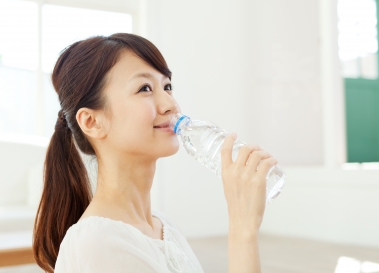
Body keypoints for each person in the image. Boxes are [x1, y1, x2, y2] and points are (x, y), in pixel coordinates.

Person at [33, 33, 278, 273]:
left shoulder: (163, 228)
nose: (171, 104)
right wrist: (242, 229)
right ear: (92, 122)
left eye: (167, 86)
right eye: (145, 88)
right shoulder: (99, 243)